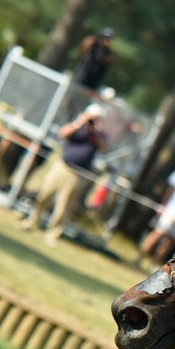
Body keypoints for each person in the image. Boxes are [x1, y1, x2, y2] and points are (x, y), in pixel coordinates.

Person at [21, 103, 108, 245]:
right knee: (45, 194)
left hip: (77, 173)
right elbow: (63, 133)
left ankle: (53, 233)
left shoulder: (99, 134)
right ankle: (33, 221)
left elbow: (104, 148)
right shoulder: (78, 127)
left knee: (64, 206)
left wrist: (95, 130)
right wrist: (80, 123)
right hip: (62, 166)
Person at [73, 28, 114, 93]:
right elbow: (81, 54)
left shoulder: (107, 53)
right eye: (105, 38)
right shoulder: (92, 45)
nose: (107, 41)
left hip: (92, 85)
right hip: (80, 79)